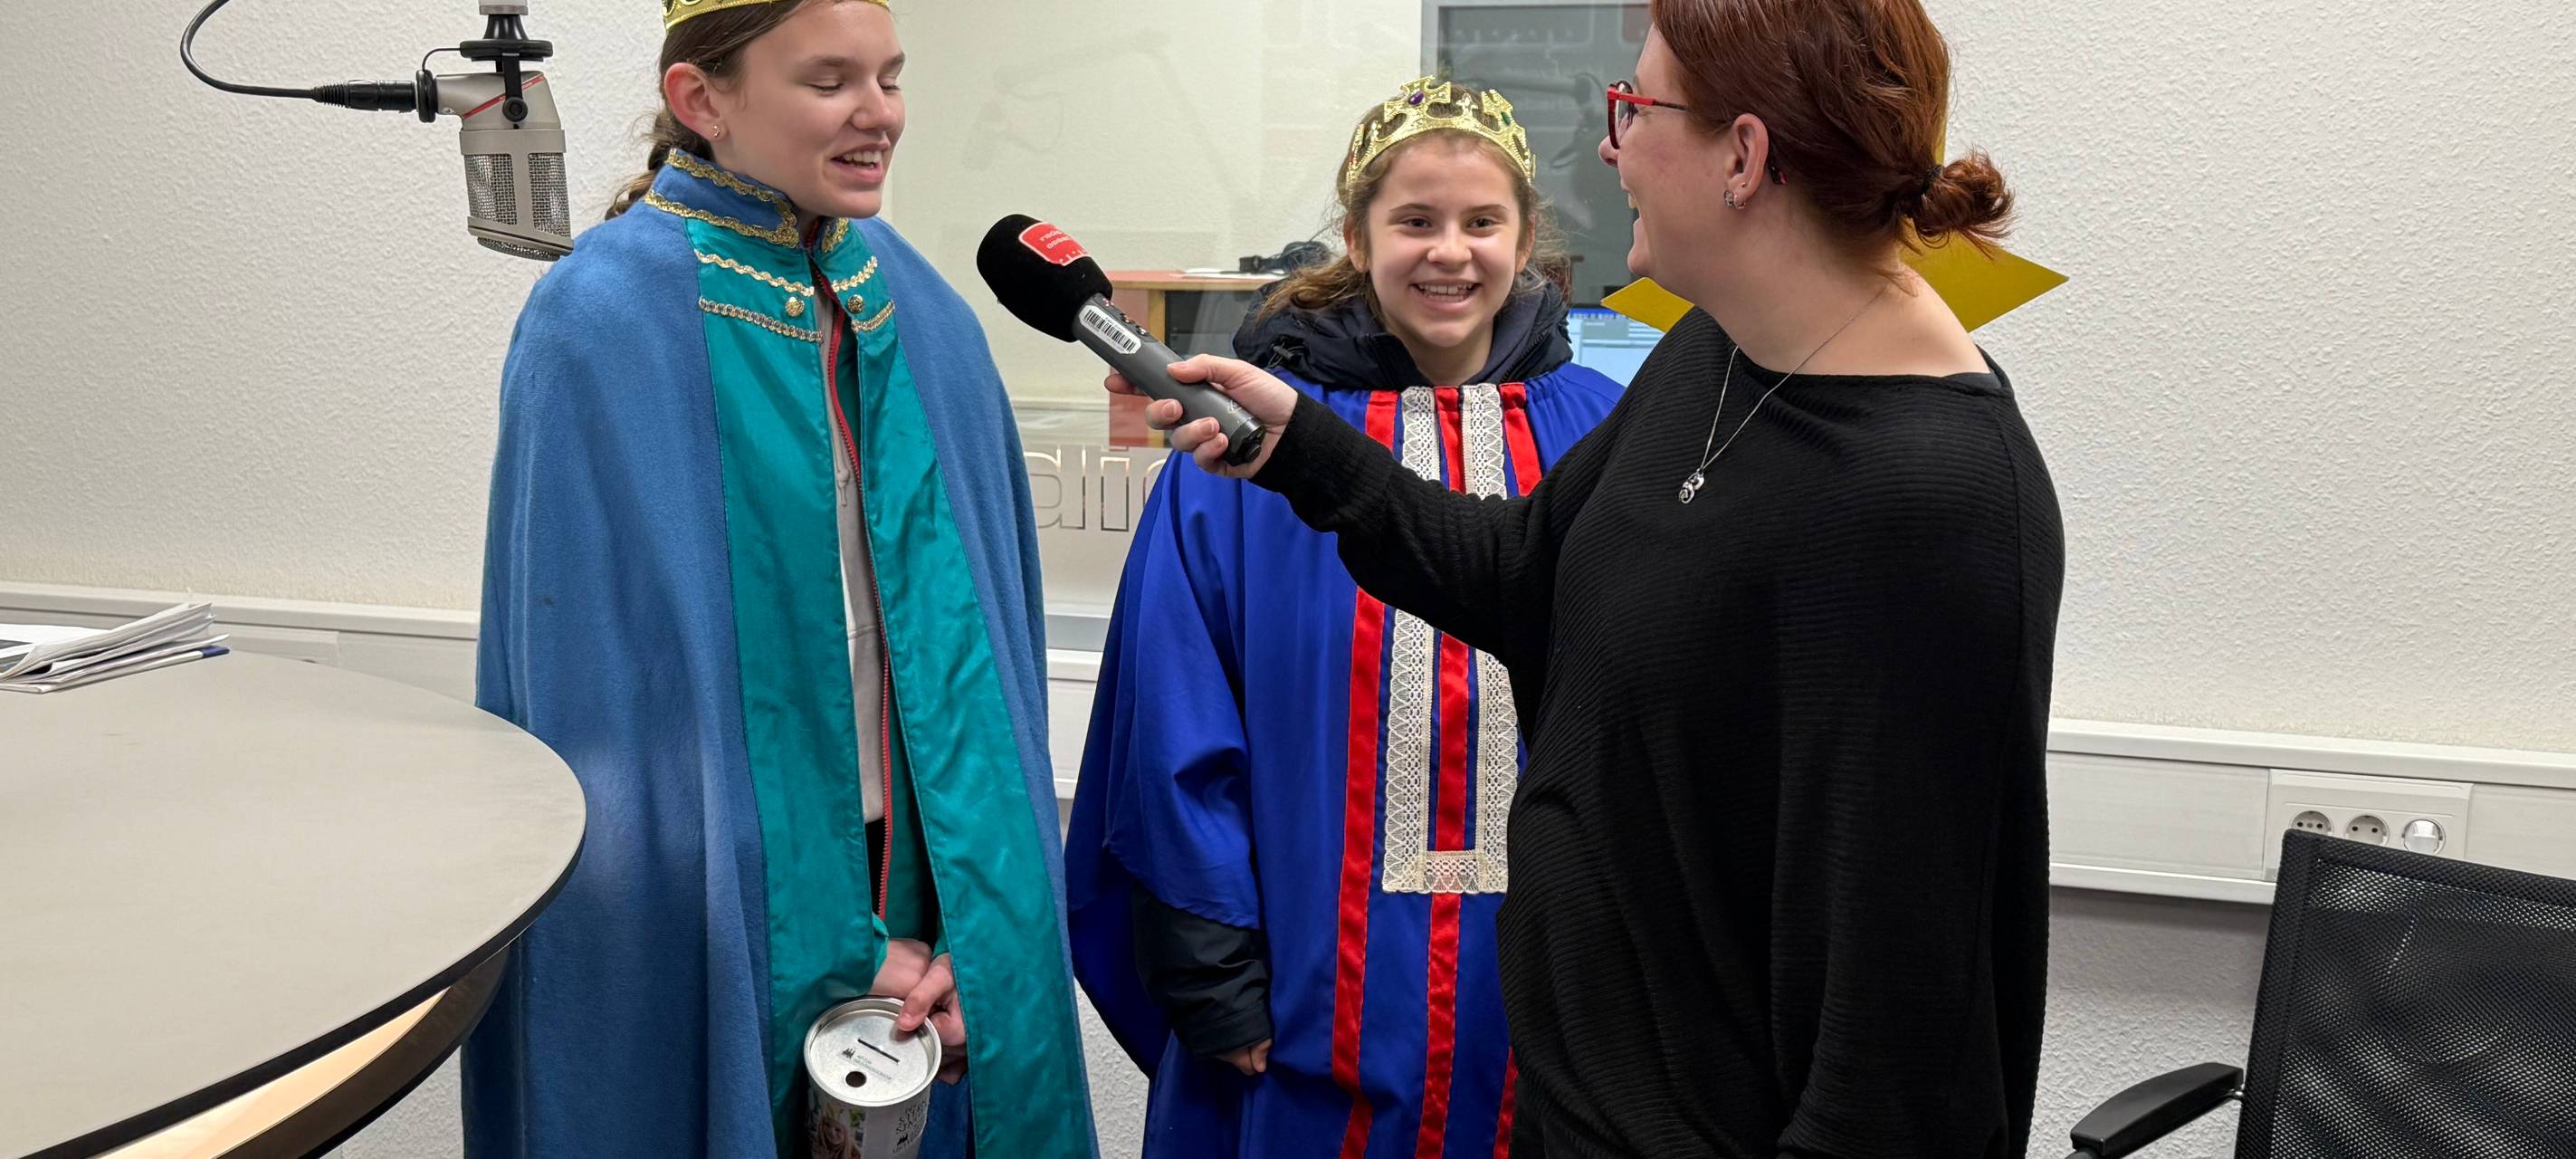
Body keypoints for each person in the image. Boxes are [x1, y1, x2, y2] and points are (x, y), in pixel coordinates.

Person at [1105, 1, 2066, 1155]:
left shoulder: (1932, 503)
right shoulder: (1718, 358)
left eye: (1635, 106)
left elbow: (1898, 1056)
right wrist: (1298, 446)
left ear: (1743, 158)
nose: (1608, 146)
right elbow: (1523, 572)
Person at [465, 1, 1094, 1155]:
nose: (879, 114)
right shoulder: (598, 323)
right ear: (703, 100)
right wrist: (840, 951)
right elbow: (605, 712)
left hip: (920, 871)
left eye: (890, 76)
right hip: (705, 890)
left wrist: (971, 926)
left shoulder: (912, 299)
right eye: (829, 81)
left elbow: (975, 670)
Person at [1066, 78, 1621, 1159]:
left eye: (1479, 222)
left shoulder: (1599, 432)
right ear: (1357, 239)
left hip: (1540, 979)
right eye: (1412, 221)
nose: (1447, 253)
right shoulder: (1244, 447)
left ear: (1525, 239)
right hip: (1300, 978)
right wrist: (1208, 959)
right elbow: (1174, 714)